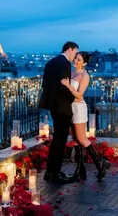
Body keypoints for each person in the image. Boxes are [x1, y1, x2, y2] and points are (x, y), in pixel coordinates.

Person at [61, 52, 111, 181]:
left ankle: (99, 166)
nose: (76, 61)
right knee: (75, 138)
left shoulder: (84, 75)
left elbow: (79, 95)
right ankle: (81, 167)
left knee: (82, 138)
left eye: (79, 60)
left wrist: (68, 86)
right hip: (69, 107)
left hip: (78, 108)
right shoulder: (72, 73)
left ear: (85, 63)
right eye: (76, 59)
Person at [39, 41, 79, 183]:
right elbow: (63, 87)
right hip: (63, 107)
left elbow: (46, 85)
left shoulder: (51, 62)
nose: (75, 57)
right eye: (75, 52)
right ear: (69, 49)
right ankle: (55, 174)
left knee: (56, 140)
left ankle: (50, 172)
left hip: (53, 106)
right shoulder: (65, 64)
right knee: (60, 141)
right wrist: (73, 98)